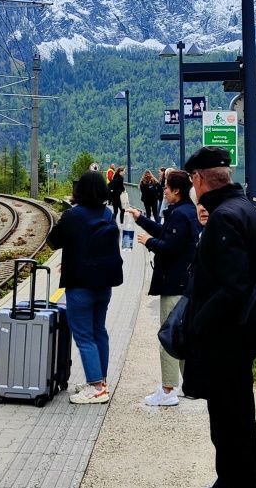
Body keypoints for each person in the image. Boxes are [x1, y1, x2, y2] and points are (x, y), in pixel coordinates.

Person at [180, 146, 256, 488]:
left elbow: (231, 288)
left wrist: (197, 324)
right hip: (237, 344)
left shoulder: (224, 218)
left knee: (235, 440)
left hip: (225, 347)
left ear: (198, 180)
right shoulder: (244, 209)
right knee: (233, 435)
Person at [46, 171, 124, 405]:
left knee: (84, 336)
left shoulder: (73, 215)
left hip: (80, 286)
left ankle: (97, 388)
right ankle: (100, 381)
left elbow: (53, 242)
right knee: (99, 331)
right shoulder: (108, 214)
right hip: (104, 285)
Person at [127, 169, 200, 407]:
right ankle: (191, 384)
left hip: (174, 282)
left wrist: (149, 242)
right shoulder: (186, 212)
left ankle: (168, 390)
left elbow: (169, 247)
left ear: (176, 191)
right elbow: (167, 234)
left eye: (166, 187)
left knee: (169, 337)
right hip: (186, 282)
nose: (164, 191)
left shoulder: (179, 215)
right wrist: (141, 219)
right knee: (182, 336)